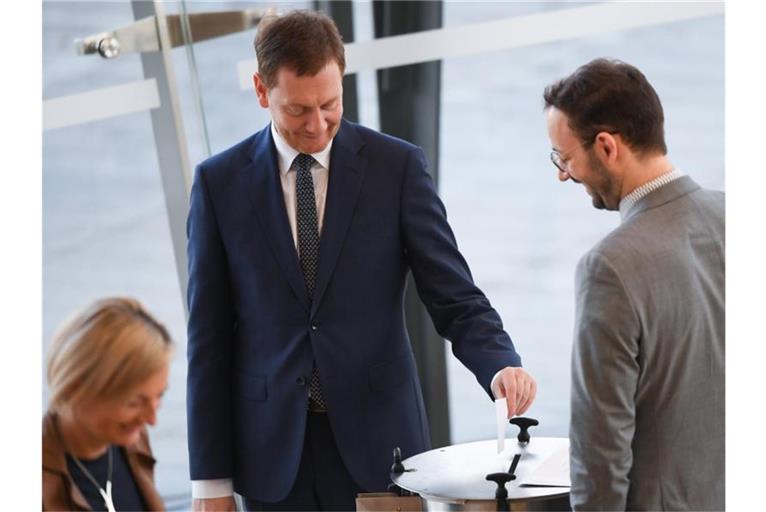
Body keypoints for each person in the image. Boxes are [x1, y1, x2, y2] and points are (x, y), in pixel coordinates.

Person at [186, 9, 537, 512]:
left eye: (329, 104)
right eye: (297, 110)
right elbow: (208, 341)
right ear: (262, 92)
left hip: (382, 449)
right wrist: (209, 482)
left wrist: (499, 364)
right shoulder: (219, 185)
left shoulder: (396, 168)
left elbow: (454, 295)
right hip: (270, 457)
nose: (317, 124)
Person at [543, 58, 725, 510]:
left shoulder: (608, 268)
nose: (563, 174)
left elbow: (600, 453)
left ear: (606, 147)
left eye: (565, 158)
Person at [43, 297, 172, 511]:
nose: (151, 419)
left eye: (159, 396)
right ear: (77, 388)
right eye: (133, 403)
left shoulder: (131, 441)